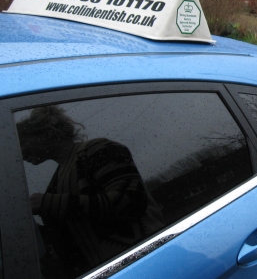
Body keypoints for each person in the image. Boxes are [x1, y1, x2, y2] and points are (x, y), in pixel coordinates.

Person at [17, 105, 164, 278]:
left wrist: (48, 203)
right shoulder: (55, 182)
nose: (20, 154)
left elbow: (131, 202)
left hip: (149, 264)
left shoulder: (98, 149)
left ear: (46, 132)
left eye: (21, 143)